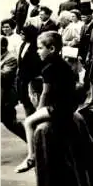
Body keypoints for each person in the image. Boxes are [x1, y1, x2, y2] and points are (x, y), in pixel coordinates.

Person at [15, 31, 78, 173]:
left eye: (40, 48)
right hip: (69, 105)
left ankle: (31, 157)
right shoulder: (63, 64)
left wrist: (38, 111)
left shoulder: (49, 67)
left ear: (52, 49)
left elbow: (46, 93)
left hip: (59, 107)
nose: (37, 52)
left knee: (29, 122)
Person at [1, 37, 26, 141]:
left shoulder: (11, 58)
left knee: (11, 123)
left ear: (3, 46)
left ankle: (32, 142)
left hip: (5, 97)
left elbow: (5, 76)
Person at [17, 25, 42, 116]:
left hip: (32, 76)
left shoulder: (36, 46)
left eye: (23, 34)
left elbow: (36, 62)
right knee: (24, 98)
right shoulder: (23, 44)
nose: (21, 35)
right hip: (22, 75)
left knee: (33, 99)